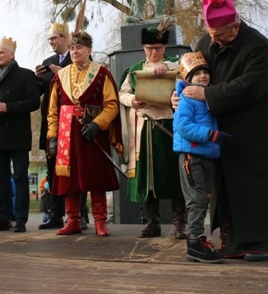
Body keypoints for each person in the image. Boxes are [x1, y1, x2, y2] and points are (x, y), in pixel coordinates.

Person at [179, 0, 268, 261]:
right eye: (211, 32)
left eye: (221, 34)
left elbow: (249, 86)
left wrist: (207, 95)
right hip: (222, 130)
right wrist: (180, 93)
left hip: (255, 129)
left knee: (257, 186)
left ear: (236, 25)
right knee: (229, 188)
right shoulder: (205, 41)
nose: (214, 40)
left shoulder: (258, 46)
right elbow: (191, 75)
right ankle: (235, 245)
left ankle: (263, 243)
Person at [46, 31, 123, 237]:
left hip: (92, 133)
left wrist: (98, 124)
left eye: (79, 48)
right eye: (72, 48)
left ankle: (100, 221)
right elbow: (53, 110)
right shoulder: (59, 77)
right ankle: (73, 220)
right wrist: (52, 136)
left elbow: (112, 104)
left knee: (95, 176)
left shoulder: (101, 74)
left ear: (89, 50)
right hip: (66, 135)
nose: (75, 51)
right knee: (69, 178)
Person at [118, 24, 187, 239]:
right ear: (143, 48)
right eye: (149, 48)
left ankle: (180, 223)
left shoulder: (176, 66)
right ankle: (152, 221)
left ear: (164, 47)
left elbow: (190, 79)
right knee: (147, 177)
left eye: (157, 48)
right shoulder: (135, 69)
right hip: (144, 127)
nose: (153, 52)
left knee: (174, 175)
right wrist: (133, 100)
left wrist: (168, 67)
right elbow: (122, 93)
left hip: (169, 125)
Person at [0, 37, 40, 233]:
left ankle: (21, 219)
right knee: (0, 179)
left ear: (12, 55)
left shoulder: (26, 75)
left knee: (20, 177)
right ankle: (1, 218)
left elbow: (34, 102)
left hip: (18, 135)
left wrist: (8, 107)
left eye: (1, 52)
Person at [173, 52, 227, 264]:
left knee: (202, 199)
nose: (203, 76)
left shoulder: (208, 97)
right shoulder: (188, 98)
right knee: (195, 200)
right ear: (189, 78)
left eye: (205, 72)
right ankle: (194, 243)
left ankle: (197, 240)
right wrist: (210, 135)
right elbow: (183, 126)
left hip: (206, 155)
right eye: (197, 74)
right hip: (192, 156)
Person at [36, 22, 89, 230]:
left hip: (73, 121)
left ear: (65, 38)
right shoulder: (47, 61)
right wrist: (38, 79)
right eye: (49, 39)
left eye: (55, 38)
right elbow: (43, 91)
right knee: (53, 171)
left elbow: (87, 84)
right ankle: (55, 214)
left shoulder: (78, 57)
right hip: (52, 121)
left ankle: (80, 215)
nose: (51, 41)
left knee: (76, 169)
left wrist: (65, 72)